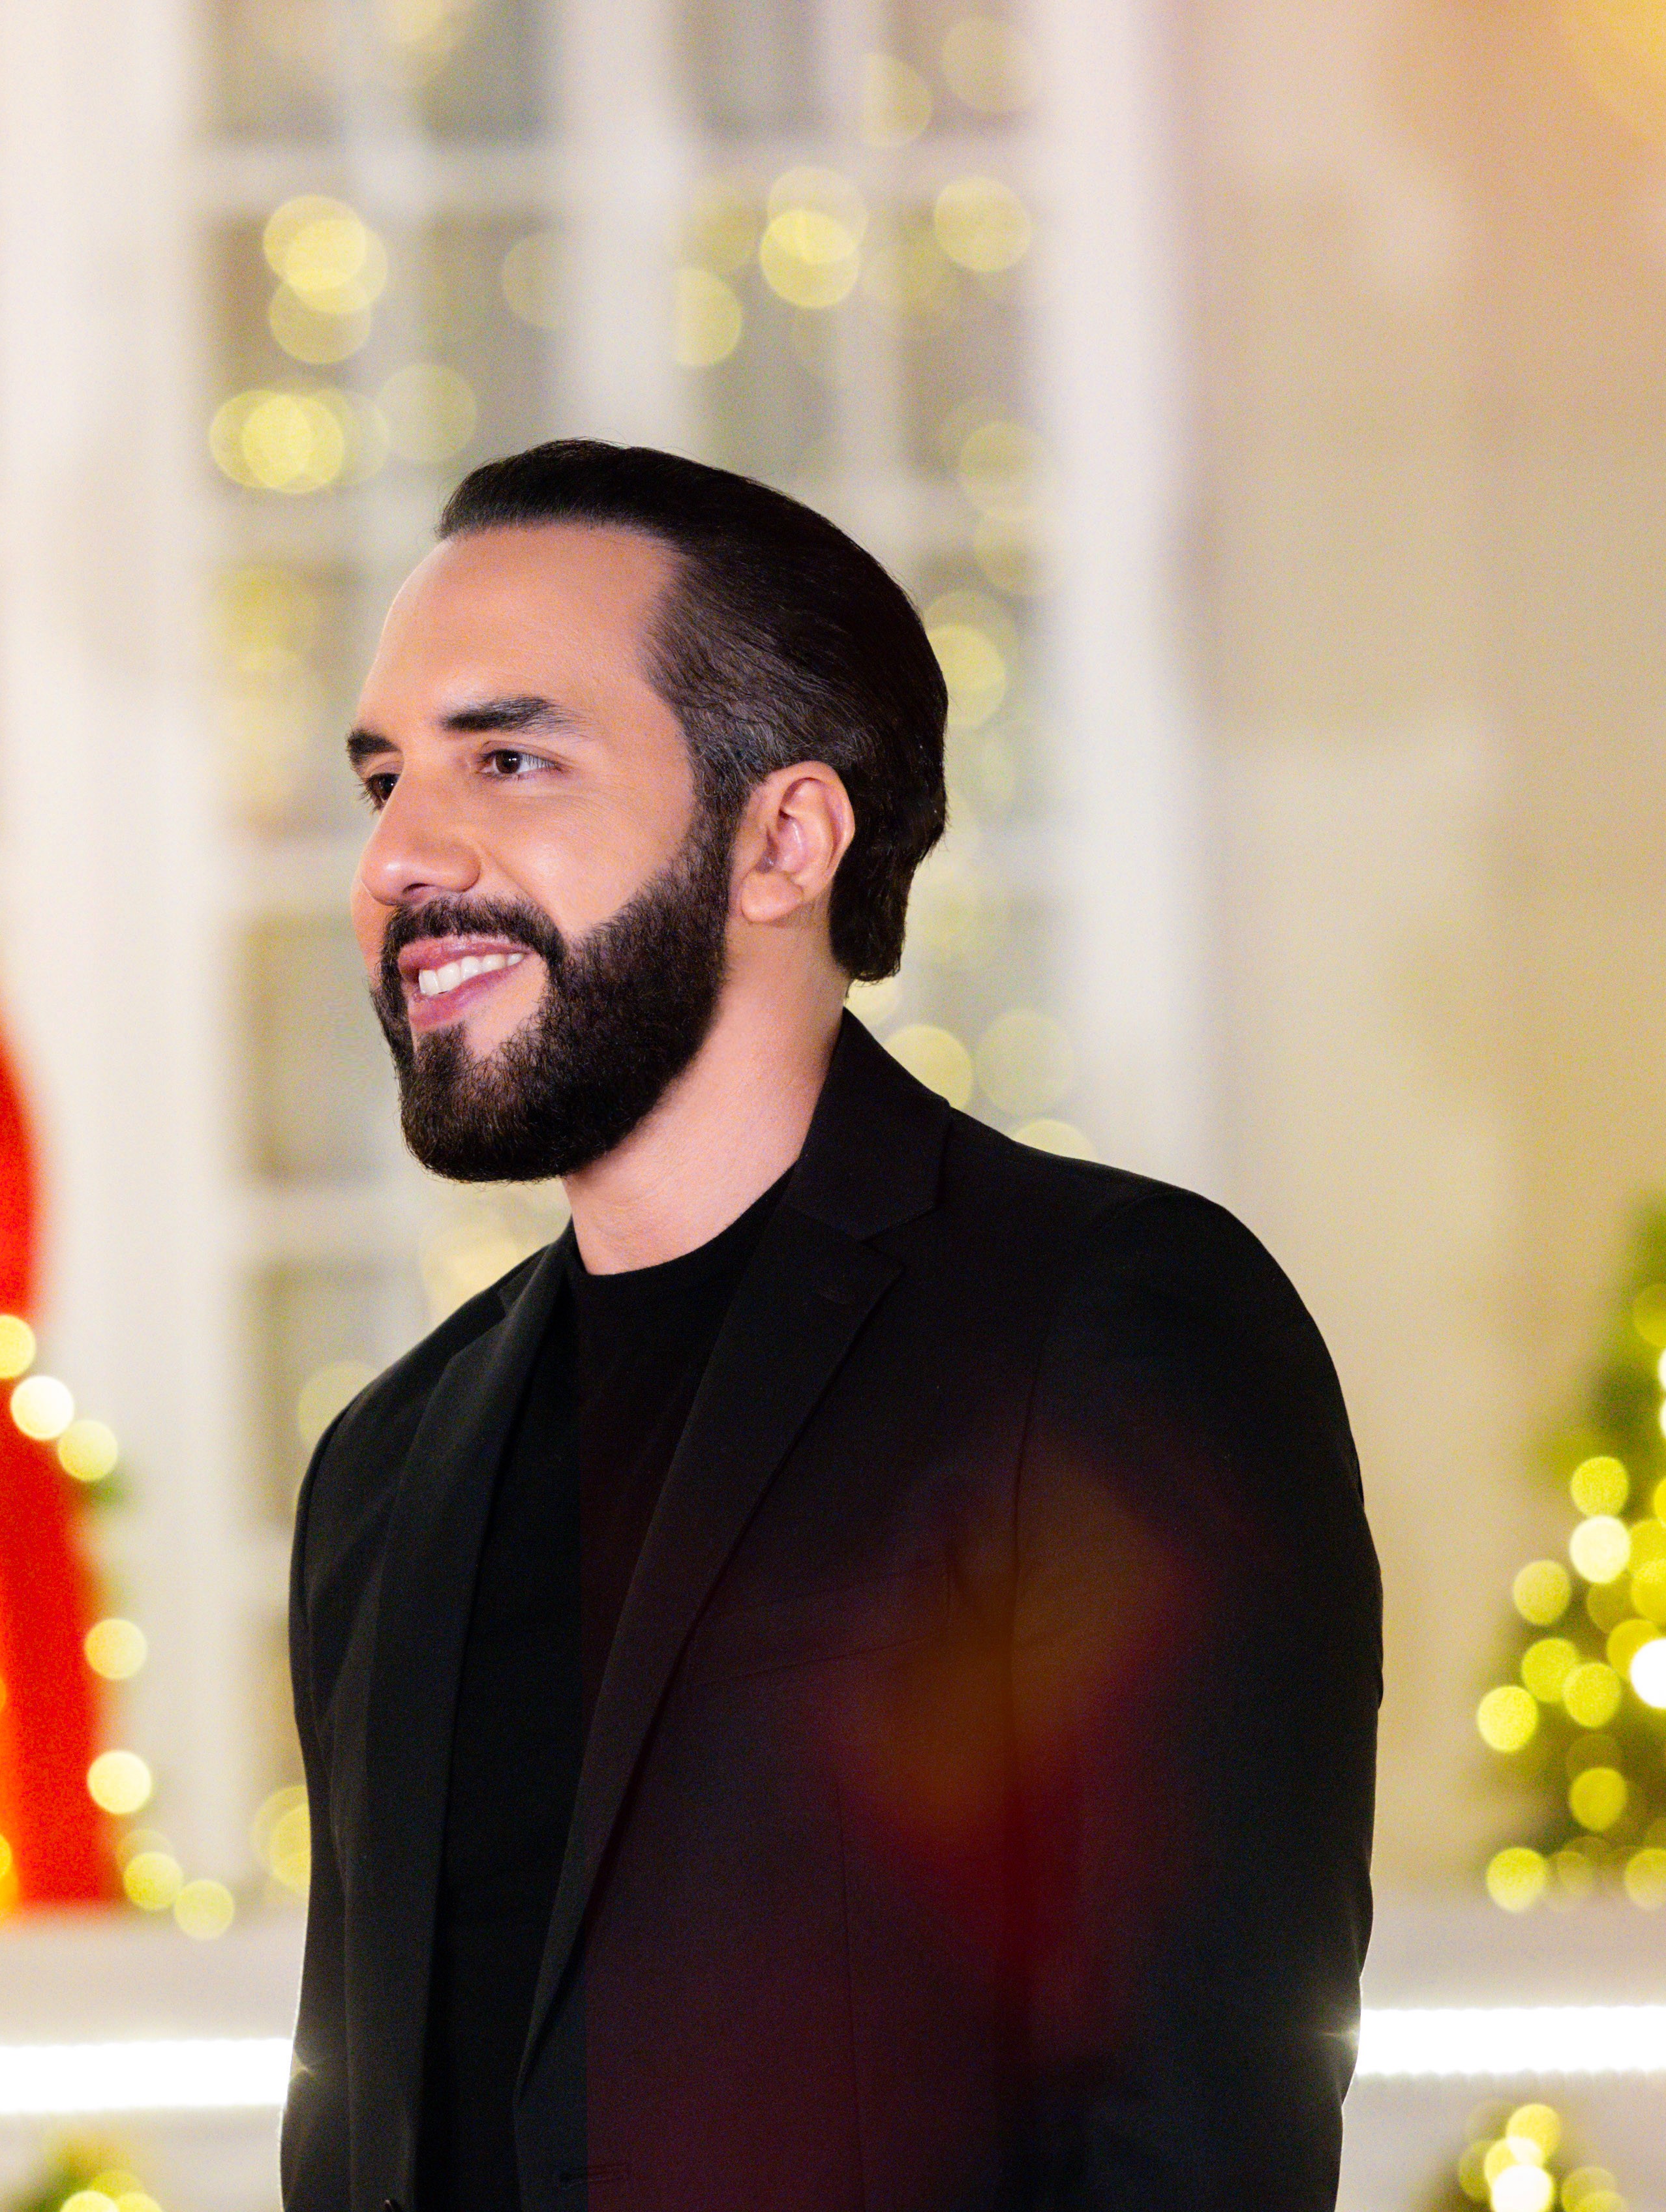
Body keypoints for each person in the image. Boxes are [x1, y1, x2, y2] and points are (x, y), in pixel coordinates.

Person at [279, 441, 1380, 2212]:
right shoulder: (388, 1469)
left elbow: (1199, 2130)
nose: (402, 854)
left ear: (784, 839)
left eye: (509, 758)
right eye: (384, 779)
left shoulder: (1107, 1335)